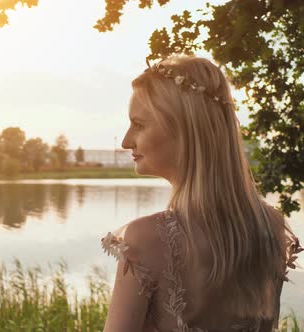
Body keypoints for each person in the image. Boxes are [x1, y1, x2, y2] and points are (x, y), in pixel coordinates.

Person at [101, 55, 302, 332]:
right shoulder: (271, 228)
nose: (125, 141)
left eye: (139, 124)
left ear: (183, 128)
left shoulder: (145, 240)